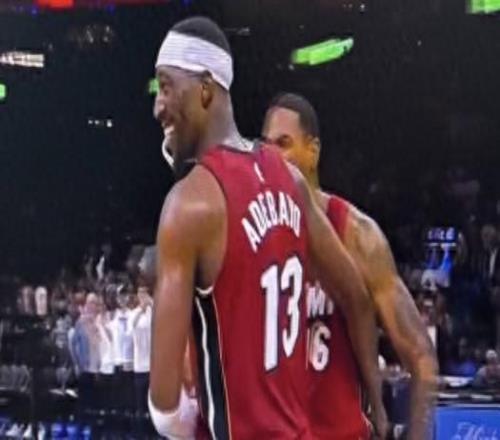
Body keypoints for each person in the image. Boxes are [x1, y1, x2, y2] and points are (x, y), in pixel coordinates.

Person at [149, 17, 385, 440]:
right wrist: (375, 407)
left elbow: (165, 409)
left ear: (205, 90)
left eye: (166, 87)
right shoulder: (288, 179)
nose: (158, 106)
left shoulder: (189, 205)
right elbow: (357, 297)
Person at [262, 93, 437, 440]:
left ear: (312, 151)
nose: (273, 157)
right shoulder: (256, 234)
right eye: (266, 146)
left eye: (284, 144)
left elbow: (421, 357)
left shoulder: (356, 234)